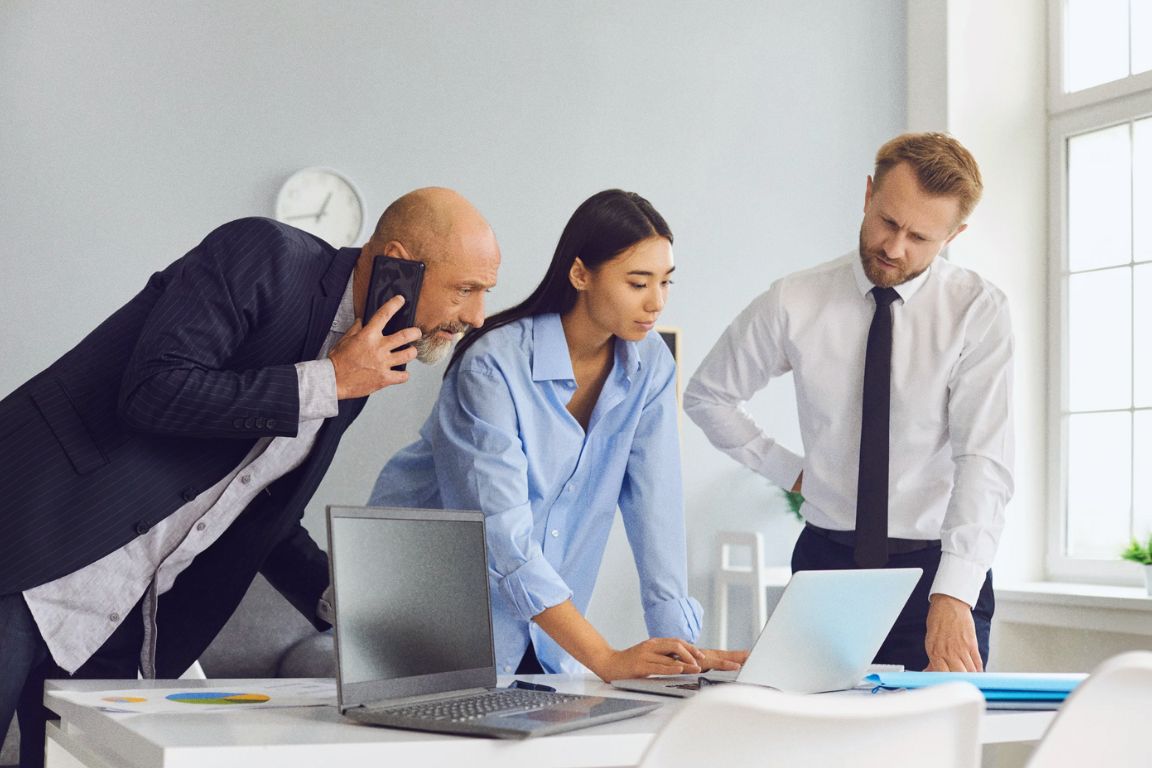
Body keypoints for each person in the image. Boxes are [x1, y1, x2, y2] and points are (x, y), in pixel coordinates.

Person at [0, 187, 501, 768]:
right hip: (29, 553)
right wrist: (327, 381)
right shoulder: (265, 254)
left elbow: (256, 505)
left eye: (485, 291)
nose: (476, 316)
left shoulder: (361, 361)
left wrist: (360, 608)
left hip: (116, 620)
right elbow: (154, 390)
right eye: (465, 289)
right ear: (398, 263)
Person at [370, 189, 746, 680]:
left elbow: (657, 508)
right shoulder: (492, 365)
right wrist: (606, 658)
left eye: (665, 282)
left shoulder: (650, 364)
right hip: (425, 617)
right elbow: (503, 538)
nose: (656, 302)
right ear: (580, 274)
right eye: (637, 282)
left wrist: (685, 655)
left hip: (546, 641)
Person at [683, 133, 1013, 673]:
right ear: (867, 194)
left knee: (930, 750)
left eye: (920, 237)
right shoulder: (795, 300)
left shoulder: (978, 312)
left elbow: (984, 461)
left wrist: (953, 593)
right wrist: (791, 471)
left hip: (938, 569)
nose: (895, 247)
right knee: (811, 745)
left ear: (955, 234)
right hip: (826, 567)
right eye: (888, 222)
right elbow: (707, 395)